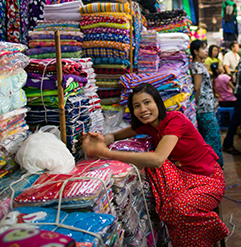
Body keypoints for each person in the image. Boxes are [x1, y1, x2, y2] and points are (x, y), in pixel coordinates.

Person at [81, 83, 230, 246]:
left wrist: (105, 153)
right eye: (136, 106)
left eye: (147, 102)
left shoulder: (175, 120)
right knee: (169, 209)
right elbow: (116, 135)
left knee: (179, 209)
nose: (143, 109)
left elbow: (159, 159)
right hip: (183, 176)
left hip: (207, 178)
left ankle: (212, 230)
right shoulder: (150, 126)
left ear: (157, 102)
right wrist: (104, 139)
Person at [190, 40, 224, 167]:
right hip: (204, 108)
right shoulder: (197, 67)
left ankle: (213, 165)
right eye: (203, 49)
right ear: (195, 51)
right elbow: (197, 88)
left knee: (211, 136)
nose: (206, 51)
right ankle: (214, 166)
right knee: (211, 137)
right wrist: (195, 105)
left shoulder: (200, 65)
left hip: (207, 106)